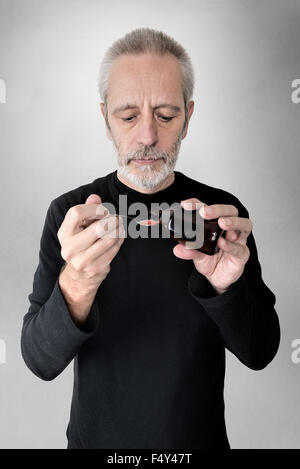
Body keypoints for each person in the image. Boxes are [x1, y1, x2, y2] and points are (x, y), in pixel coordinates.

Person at [21, 27, 280, 449]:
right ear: (105, 118)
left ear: (188, 117)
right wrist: (78, 282)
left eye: (165, 115)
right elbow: (39, 360)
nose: (147, 136)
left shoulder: (221, 214)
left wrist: (224, 286)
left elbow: (261, 351)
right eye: (128, 116)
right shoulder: (71, 215)